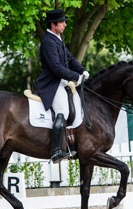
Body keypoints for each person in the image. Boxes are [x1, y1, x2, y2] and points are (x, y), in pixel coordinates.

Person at [35, 9, 90, 163]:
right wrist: (75, 76)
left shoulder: (57, 38)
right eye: (62, 22)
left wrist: (82, 70)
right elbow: (56, 68)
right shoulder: (48, 42)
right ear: (53, 24)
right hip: (52, 83)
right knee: (63, 112)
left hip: (62, 82)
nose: (65, 24)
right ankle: (56, 151)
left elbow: (70, 59)